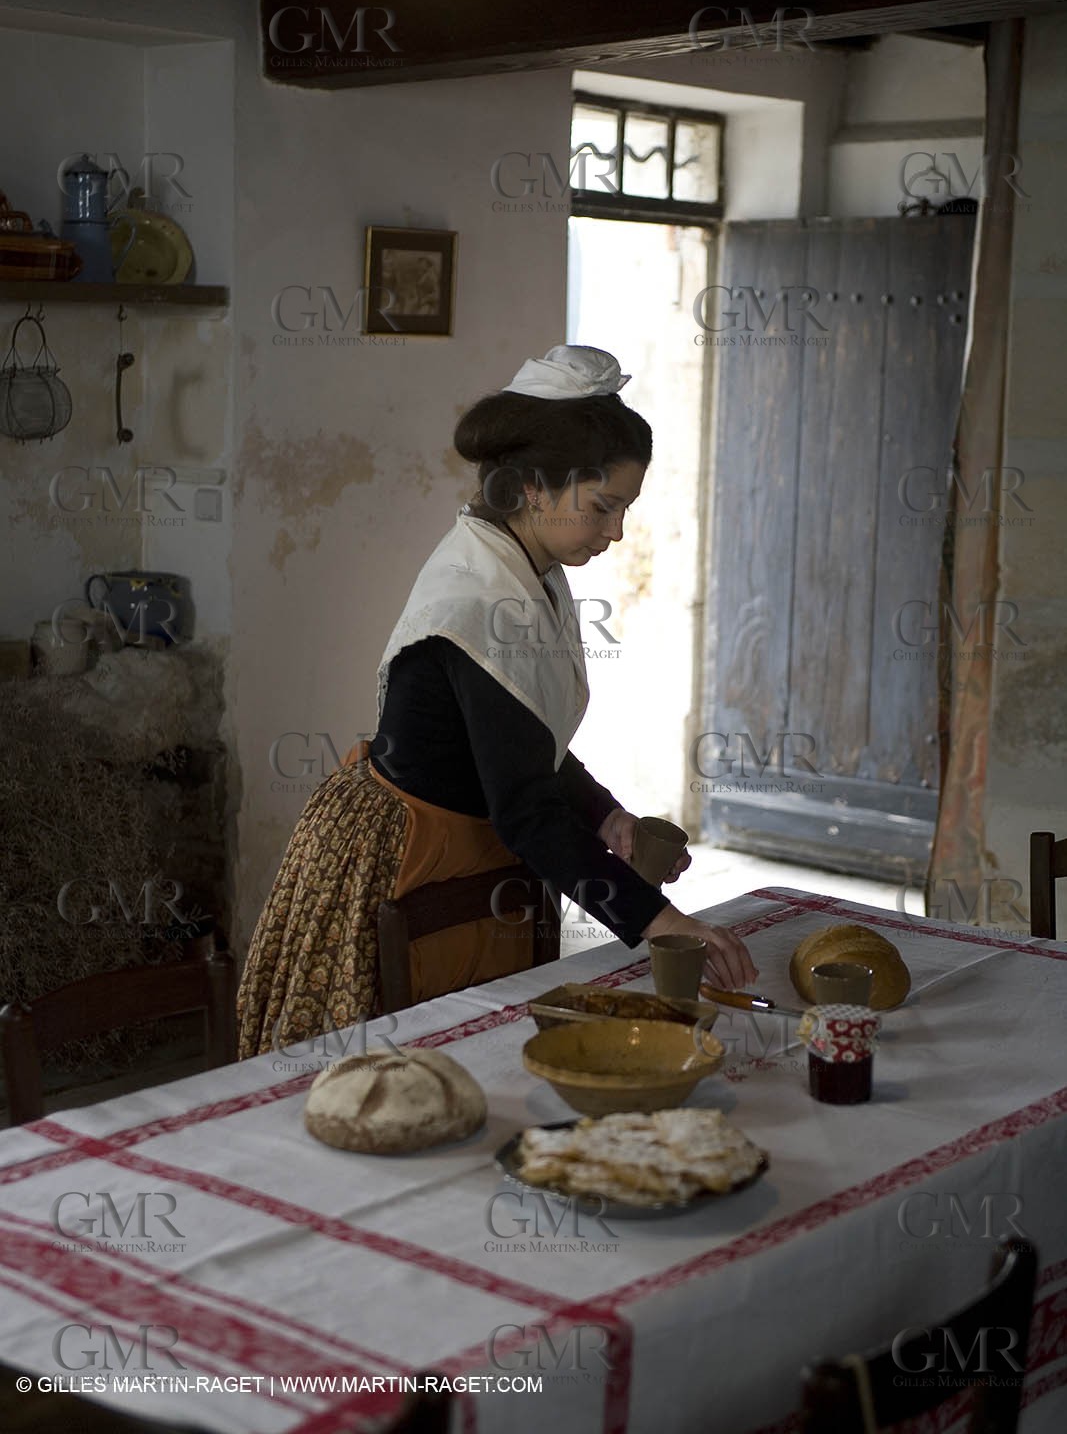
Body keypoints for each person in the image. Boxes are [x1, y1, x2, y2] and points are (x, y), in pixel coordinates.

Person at [237, 345, 757, 1057]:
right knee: (383, 1075)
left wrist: (606, 816)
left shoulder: (522, 564)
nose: (616, 532)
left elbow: (521, 736)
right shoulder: (478, 597)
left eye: (624, 509)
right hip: (402, 854)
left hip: (464, 843)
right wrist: (660, 923)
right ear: (535, 489)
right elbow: (525, 808)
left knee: (478, 1056)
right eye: (603, 507)